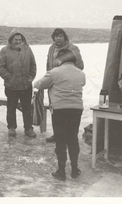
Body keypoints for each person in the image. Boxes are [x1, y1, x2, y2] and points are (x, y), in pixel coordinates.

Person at [34, 49, 86, 181]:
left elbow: (40, 84)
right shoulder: (81, 74)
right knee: (73, 137)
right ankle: (75, 169)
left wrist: (35, 83)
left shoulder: (54, 72)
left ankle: (61, 171)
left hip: (60, 110)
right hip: (76, 109)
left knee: (61, 139)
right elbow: (82, 84)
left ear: (60, 59)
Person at [45, 28, 84, 143]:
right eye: (56, 36)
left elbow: (80, 66)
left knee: (68, 109)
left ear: (65, 37)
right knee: (55, 109)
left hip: (68, 85)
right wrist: (49, 78)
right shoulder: (52, 48)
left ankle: (69, 136)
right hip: (54, 84)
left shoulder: (73, 49)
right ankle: (57, 134)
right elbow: (48, 65)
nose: (58, 38)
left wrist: (67, 76)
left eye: (60, 36)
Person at [0, 29, 37, 138]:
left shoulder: (28, 50)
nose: (18, 41)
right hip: (11, 86)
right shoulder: (4, 50)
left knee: (27, 108)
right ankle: (11, 128)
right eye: (15, 39)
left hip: (26, 86)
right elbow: (0, 67)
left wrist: (30, 78)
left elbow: (33, 65)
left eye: (20, 39)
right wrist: (9, 78)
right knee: (11, 108)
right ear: (11, 40)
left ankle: (28, 128)